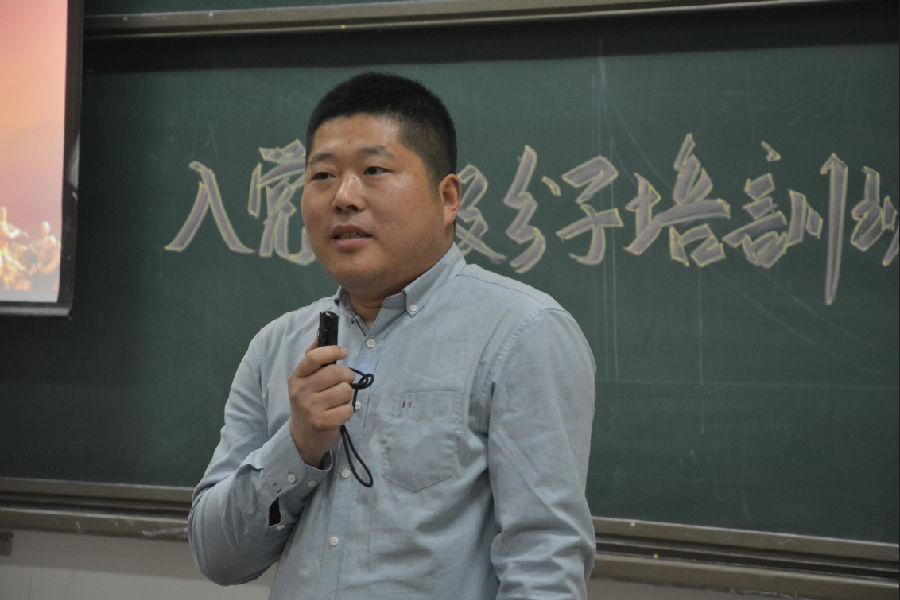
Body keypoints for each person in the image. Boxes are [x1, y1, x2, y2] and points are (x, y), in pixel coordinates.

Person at [188, 72, 596, 599]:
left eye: (374, 170)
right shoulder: (277, 345)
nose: (343, 197)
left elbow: (544, 564)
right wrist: (298, 446)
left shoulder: (522, 333)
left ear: (447, 197)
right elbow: (216, 557)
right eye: (322, 175)